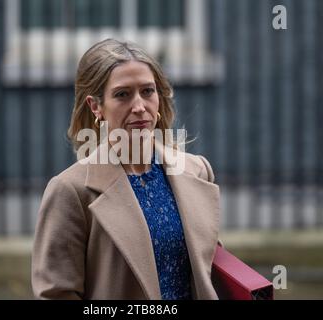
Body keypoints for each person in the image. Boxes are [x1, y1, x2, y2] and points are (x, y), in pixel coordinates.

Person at [31, 38, 221, 300]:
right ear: (96, 106)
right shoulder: (70, 191)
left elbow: (211, 270)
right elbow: (57, 293)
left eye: (147, 91)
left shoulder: (196, 170)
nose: (140, 106)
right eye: (123, 94)